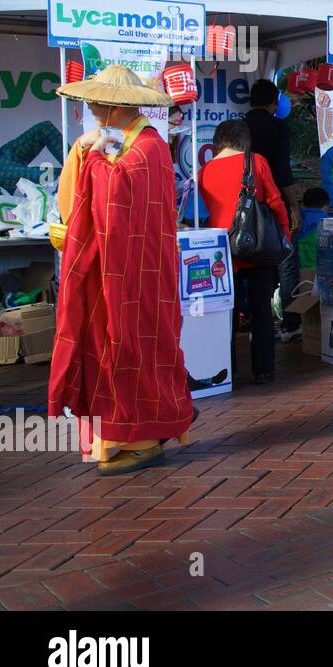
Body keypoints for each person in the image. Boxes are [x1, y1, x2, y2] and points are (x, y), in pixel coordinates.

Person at [50, 64, 195, 475]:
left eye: (99, 104)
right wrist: (88, 151)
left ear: (119, 106)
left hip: (139, 273)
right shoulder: (131, 143)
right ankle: (125, 435)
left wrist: (89, 153)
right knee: (115, 349)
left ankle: (143, 439)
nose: (93, 109)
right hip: (122, 268)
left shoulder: (148, 146)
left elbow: (116, 191)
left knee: (132, 348)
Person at [198, 119, 291, 385]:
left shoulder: (205, 171)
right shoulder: (256, 162)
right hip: (258, 247)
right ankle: (263, 370)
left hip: (222, 252)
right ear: (245, 140)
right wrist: (284, 234)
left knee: (227, 311)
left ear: (219, 141)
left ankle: (227, 369)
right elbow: (275, 202)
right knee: (262, 310)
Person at [245, 78, 302, 340]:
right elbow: (282, 169)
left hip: (244, 205)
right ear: (274, 101)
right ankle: (291, 324)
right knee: (287, 263)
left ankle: (253, 324)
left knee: (249, 265)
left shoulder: (241, 125)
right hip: (273, 203)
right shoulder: (278, 127)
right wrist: (293, 206)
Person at [296, 186, 329, 273]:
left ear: (303, 204)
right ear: (326, 207)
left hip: (295, 268)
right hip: (319, 269)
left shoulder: (296, 219)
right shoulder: (328, 223)